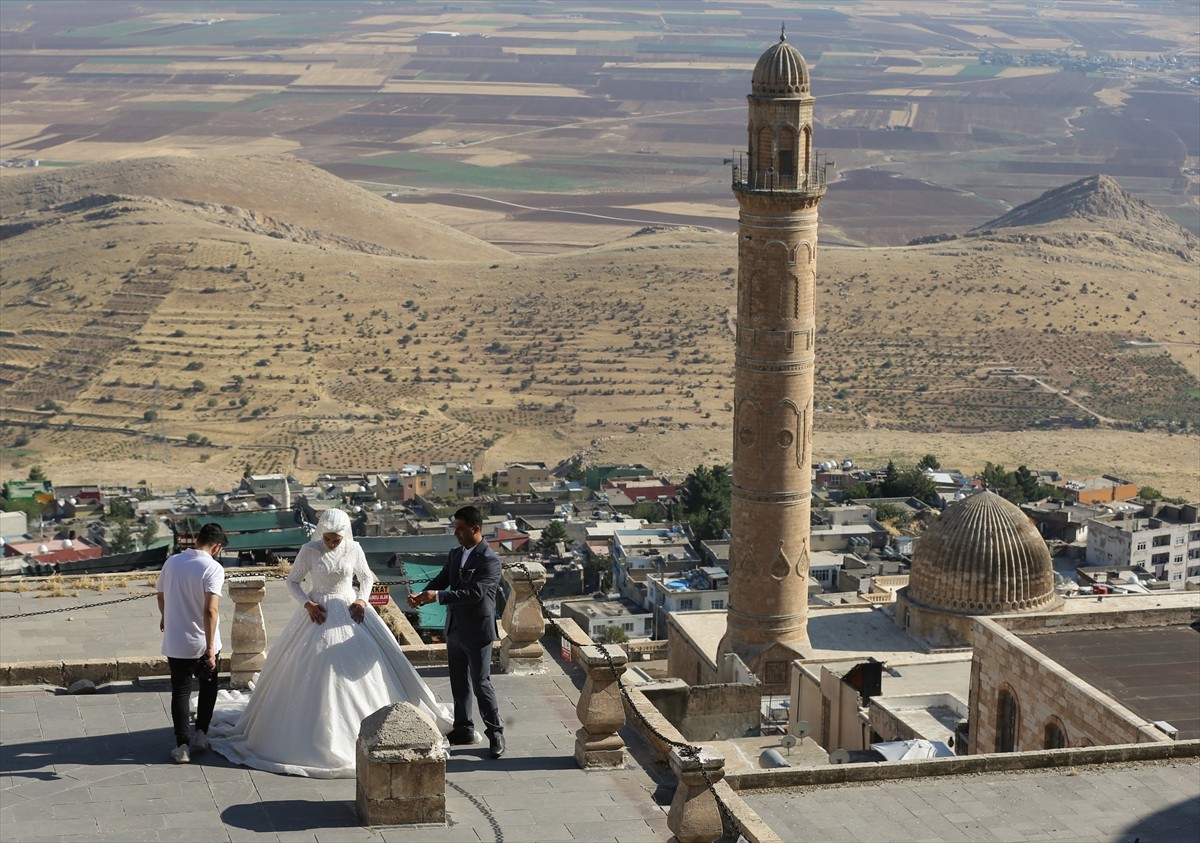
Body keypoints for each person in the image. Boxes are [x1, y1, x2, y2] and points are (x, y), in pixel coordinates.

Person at [207, 508, 454, 778]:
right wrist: (307, 603)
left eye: (336, 539)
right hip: (319, 613)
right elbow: (292, 581)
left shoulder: (353, 548)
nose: (332, 543)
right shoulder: (310, 549)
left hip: (350, 610)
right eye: (328, 538)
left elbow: (367, 576)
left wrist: (361, 599)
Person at [409, 505, 506, 759]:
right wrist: (422, 595)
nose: (456, 533)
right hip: (454, 629)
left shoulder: (489, 560)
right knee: (458, 682)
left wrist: (438, 596)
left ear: (476, 529)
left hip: (477, 630)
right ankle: (463, 728)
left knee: (480, 683)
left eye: (460, 528)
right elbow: (442, 579)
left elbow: (475, 594)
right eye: (455, 528)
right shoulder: (455, 554)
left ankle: (495, 733)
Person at [158, 522, 227, 764]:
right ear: (217, 546)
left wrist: (165, 616)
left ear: (198, 539)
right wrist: (210, 649)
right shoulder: (213, 568)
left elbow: (161, 594)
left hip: (176, 640)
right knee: (208, 688)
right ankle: (201, 734)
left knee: (180, 691)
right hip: (202, 642)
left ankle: (182, 745)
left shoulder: (172, 562)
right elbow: (210, 611)